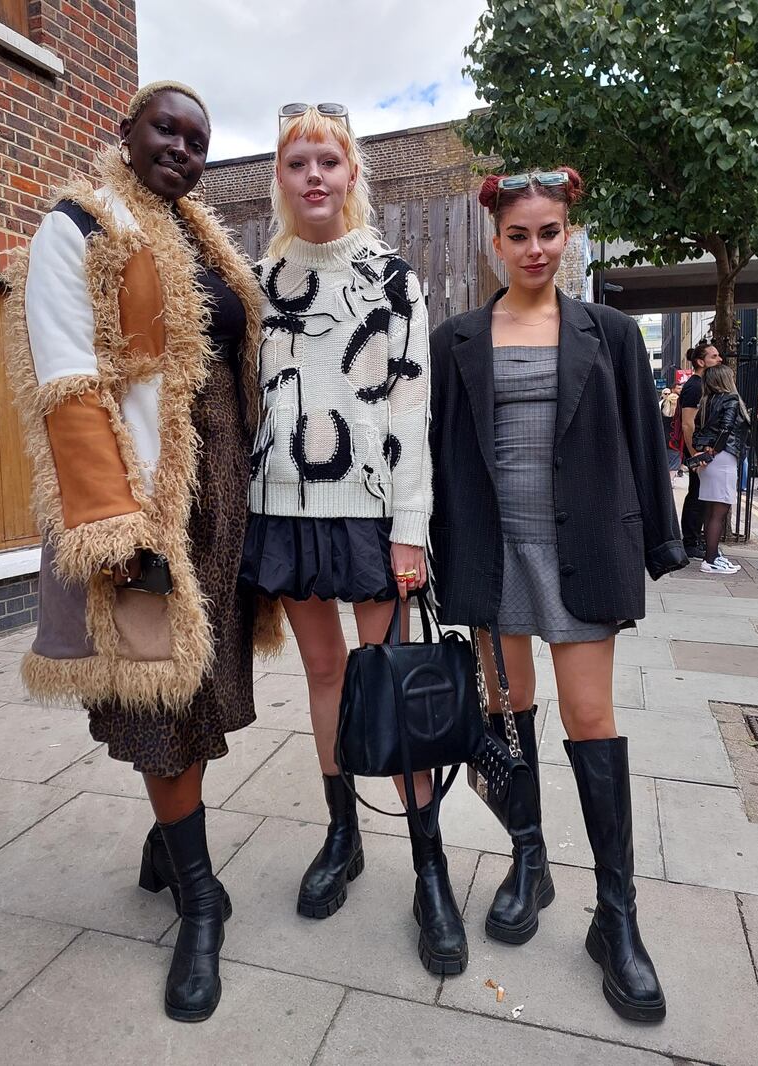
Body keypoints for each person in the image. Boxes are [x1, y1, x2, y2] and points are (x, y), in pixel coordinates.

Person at [6, 81, 282, 1023]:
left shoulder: (206, 238)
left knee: (202, 689)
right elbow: (69, 383)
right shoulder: (78, 226)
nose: (183, 147)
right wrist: (118, 529)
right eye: (166, 128)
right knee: (158, 691)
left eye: (199, 138)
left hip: (224, 498)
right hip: (146, 507)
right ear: (124, 129)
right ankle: (201, 900)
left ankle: (168, 847)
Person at [429, 168, 688, 1023]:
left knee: (590, 721)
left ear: (568, 233)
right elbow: (440, 455)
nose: (535, 248)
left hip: (580, 550)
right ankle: (529, 861)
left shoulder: (609, 331)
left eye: (549, 232)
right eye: (519, 235)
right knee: (509, 720)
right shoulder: (458, 337)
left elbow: (644, 443)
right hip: (493, 555)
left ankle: (616, 918)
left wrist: (659, 541)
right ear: (494, 242)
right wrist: (432, 550)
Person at [238, 104, 466, 975]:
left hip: (369, 510)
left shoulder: (391, 277)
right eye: (298, 162)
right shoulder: (257, 281)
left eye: (328, 160)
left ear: (353, 172)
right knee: (327, 674)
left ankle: (428, 862)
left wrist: (411, 530)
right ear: (281, 177)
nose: (314, 176)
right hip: (286, 509)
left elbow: (410, 406)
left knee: (393, 682)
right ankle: (343, 836)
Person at [694, 365, 750, 574]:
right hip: (722, 458)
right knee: (719, 512)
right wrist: (715, 450)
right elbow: (726, 428)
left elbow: (698, 429)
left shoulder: (706, 401)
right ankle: (710, 560)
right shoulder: (731, 400)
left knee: (711, 511)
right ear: (725, 379)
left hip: (709, 461)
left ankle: (713, 556)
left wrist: (703, 451)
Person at [679, 343, 723, 557]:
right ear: (700, 361)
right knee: (697, 495)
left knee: (701, 495)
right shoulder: (695, 386)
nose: (720, 359)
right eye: (714, 356)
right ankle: (690, 542)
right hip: (697, 450)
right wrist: (695, 453)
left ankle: (694, 539)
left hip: (700, 449)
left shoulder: (702, 385)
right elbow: (688, 424)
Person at [660, 388, 681, 481]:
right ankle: (669, 481)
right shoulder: (678, 415)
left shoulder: (662, 412)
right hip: (674, 441)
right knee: (673, 465)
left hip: (663, 440)